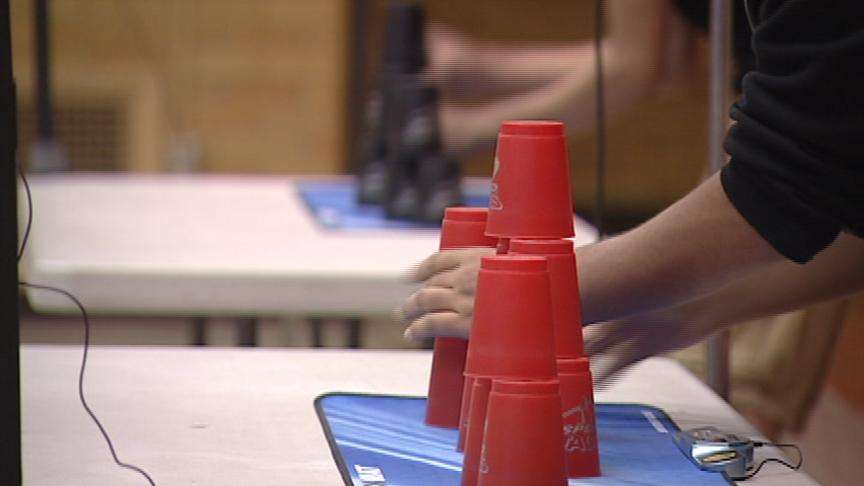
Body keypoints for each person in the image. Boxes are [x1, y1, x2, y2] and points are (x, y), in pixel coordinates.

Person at [394, 0, 864, 425]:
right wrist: (682, 305)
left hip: (783, 207)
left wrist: (551, 285)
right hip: (781, 203)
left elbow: (800, 176)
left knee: (742, 392)